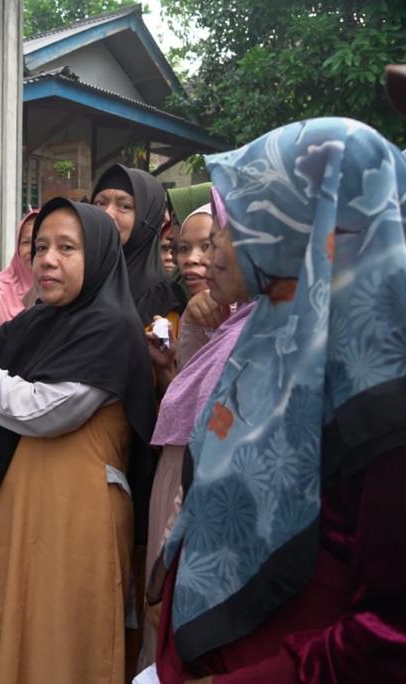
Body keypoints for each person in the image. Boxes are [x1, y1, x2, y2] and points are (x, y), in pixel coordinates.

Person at [154, 118, 406, 683]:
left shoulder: (383, 399)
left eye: (238, 226)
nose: (215, 251)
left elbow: (387, 634)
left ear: (308, 230)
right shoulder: (278, 330)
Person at [0, 197, 156, 683]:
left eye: (67, 247)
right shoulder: (44, 319)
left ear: (100, 256)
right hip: (25, 506)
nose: (47, 259)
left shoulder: (112, 328)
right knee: (15, 615)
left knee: (61, 633)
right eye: (41, 246)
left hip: (77, 514)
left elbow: (47, 410)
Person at [136, 235, 256, 669]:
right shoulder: (238, 320)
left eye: (223, 241)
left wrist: (170, 562)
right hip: (180, 482)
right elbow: (192, 394)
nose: (203, 260)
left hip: (198, 500)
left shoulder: (269, 334)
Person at [92, 164, 186, 325]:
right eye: (100, 203)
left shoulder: (159, 297)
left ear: (148, 216)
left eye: (124, 206)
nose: (107, 213)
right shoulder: (83, 275)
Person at [172, 203, 216, 368]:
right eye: (183, 248)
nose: (191, 259)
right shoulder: (189, 313)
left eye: (207, 246)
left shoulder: (247, 315)